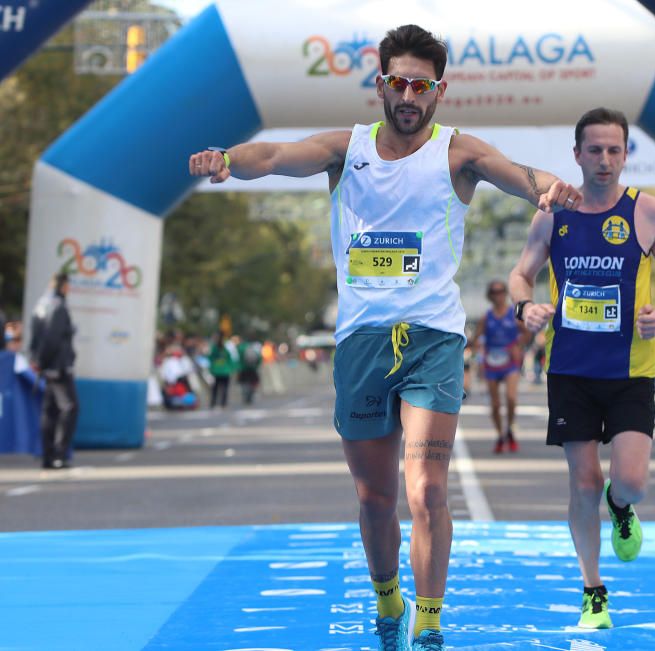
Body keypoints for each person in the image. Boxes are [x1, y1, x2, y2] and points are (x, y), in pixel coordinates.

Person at [189, 24, 580, 651]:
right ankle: (387, 594)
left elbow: (516, 173)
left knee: (426, 489)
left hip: (433, 340)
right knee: (375, 498)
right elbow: (275, 157)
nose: (408, 94)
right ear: (380, 85)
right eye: (397, 81)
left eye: (420, 85)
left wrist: (549, 187)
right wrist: (228, 161)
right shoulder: (348, 149)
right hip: (362, 342)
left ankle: (429, 621)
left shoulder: (457, 153)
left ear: (438, 91)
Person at [508, 107, 655, 629]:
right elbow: (521, 274)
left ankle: (622, 508)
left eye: (614, 150)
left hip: (631, 370)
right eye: (595, 150)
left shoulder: (647, 211)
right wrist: (527, 307)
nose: (604, 160)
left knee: (630, 483)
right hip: (571, 371)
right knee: (582, 484)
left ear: (626, 154)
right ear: (577, 155)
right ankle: (593, 591)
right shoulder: (552, 213)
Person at [471, 280, 529, 453]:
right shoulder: (486, 317)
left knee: (511, 399)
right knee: (495, 405)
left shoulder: (513, 315)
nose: (498, 295)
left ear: (506, 293)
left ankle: (510, 428)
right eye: (494, 292)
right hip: (491, 362)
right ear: (490, 295)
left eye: (501, 291)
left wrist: (518, 347)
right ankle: (500, 434)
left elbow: (527, 332)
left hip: (510, 362)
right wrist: (479, 348)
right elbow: (476, 339)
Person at [28, 272, 79, 470]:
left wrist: (40, 363)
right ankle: (59, 454)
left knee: (49, 411)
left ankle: (48, 456)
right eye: (68, 285)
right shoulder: (58, 306)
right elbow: (52, 339)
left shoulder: (42, 304)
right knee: (70, 407)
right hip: (57, 367)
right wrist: (49, 365)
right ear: (63, 285)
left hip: (48, 366)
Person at [208, 331, 234, 409]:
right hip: (224, 370)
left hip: (217, 371)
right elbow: (229, 359)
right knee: (224, 388)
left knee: (215, 388)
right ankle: (223, 403)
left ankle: (213, 403)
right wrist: (230, 368)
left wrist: (211, 369)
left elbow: (210, 359)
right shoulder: (225, 348)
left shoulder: (214, 348)